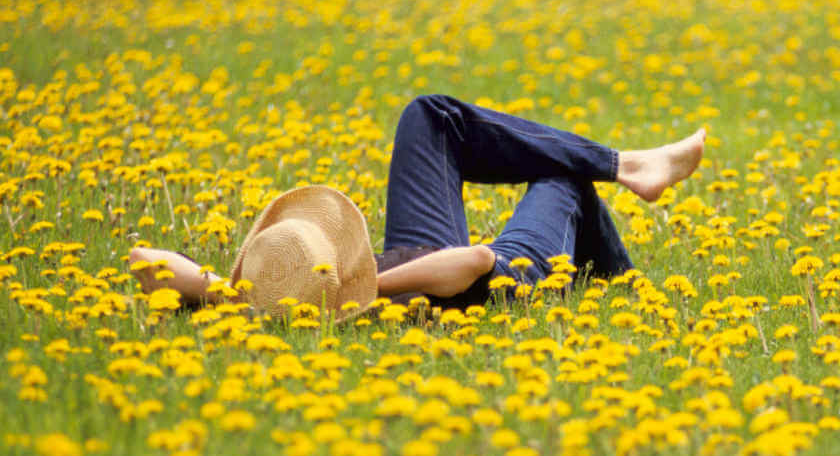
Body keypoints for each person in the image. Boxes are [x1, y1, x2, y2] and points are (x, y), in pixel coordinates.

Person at [129, 94, 706, 311]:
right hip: (495, 284)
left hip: (406, 255)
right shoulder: (359, 300)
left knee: (431, 116)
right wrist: (357, 291)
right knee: (562, 182)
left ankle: (626, 167)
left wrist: (227, 289)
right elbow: (477, 262)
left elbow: (145, 259)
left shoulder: (253, 305)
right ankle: (626, 279)